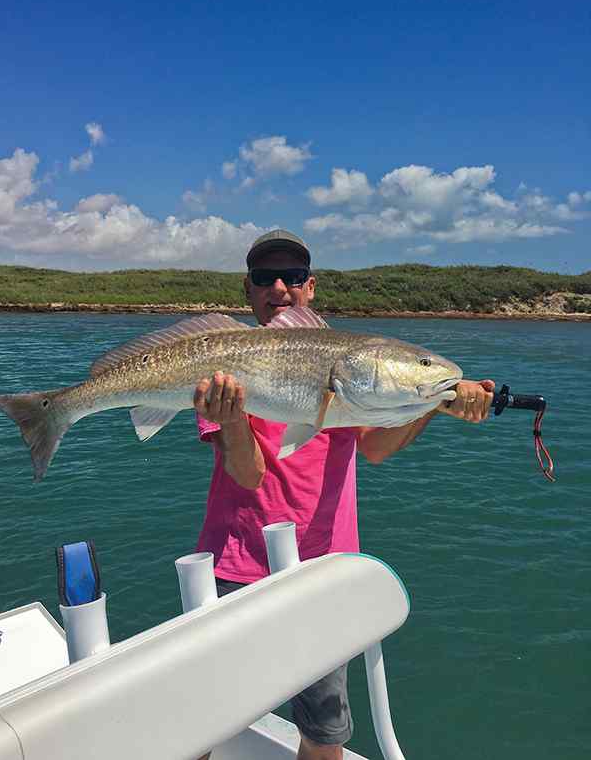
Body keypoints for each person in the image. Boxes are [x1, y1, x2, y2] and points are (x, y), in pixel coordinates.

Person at [193, 229, 494, 760]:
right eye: (265, 278)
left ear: (310, 288)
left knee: (325, 734)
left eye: (291, 278)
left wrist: (433, 398)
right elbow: (247, 476)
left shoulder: (346, 366)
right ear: (249, 289)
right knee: (204, 721)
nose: (279, 287)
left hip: (324, 568)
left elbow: (374, 449)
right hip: (237, 564)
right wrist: (234, 417)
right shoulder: (224, 366)